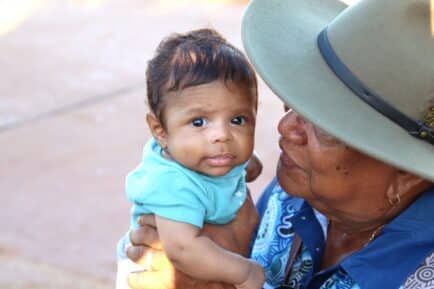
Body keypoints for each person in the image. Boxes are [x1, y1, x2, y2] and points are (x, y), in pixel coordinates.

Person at [123, 0, 434, 288]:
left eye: (326, 124)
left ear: (406, 174)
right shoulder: (299, 191)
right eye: (298, 103)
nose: (286, 127)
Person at [116, 28, 265, 289]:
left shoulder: (208, 154)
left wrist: (247, 164)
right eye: (198, 122)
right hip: (155, 274)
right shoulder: (171, 183)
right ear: (160, 132)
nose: (222, 136)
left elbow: (244, 164)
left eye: (238, 120)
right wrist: (244, 273)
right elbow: (184, 250)